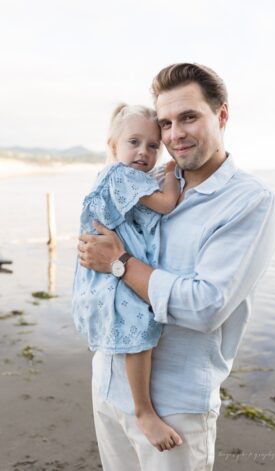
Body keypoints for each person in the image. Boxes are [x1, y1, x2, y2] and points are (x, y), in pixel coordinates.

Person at [78, 63, 275, 470]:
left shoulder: (249, 202)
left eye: (189, 117)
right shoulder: (149, 180)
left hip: (175, 407)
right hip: (109, 381)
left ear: (221, 115)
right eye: (166, 123)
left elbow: (204, 306)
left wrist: (118, 262)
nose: (174, 135)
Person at [73, 104, 183, 452]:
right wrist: (172, 169)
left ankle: (139, 404)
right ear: (113, 145)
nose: (144, 152)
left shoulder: (123, 177)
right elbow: (167, 204)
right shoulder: (120, 176)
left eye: (153, 146)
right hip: (110, 271)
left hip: (110, 267)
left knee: (135, 326)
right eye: (134, 142)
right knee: (139, 327)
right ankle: (144, 410)